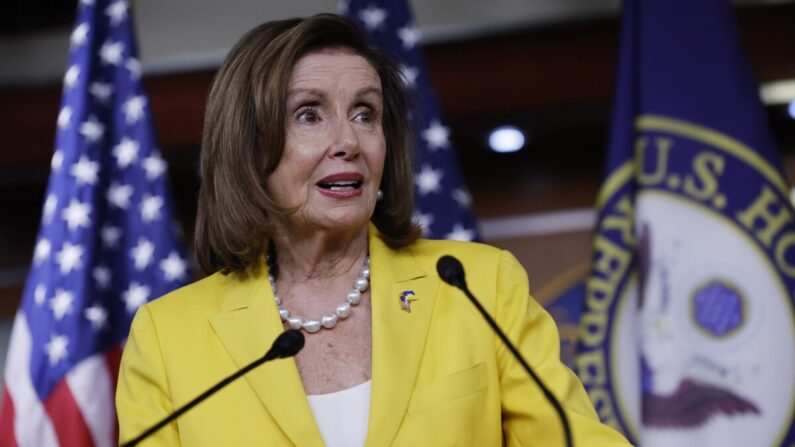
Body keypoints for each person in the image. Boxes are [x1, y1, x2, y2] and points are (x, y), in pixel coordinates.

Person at [116, 13, 631, 447]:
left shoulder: (479, 287)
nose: (348, 140)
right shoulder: (169, 337)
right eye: (309, 114)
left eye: (365, 114)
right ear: (248, 147)